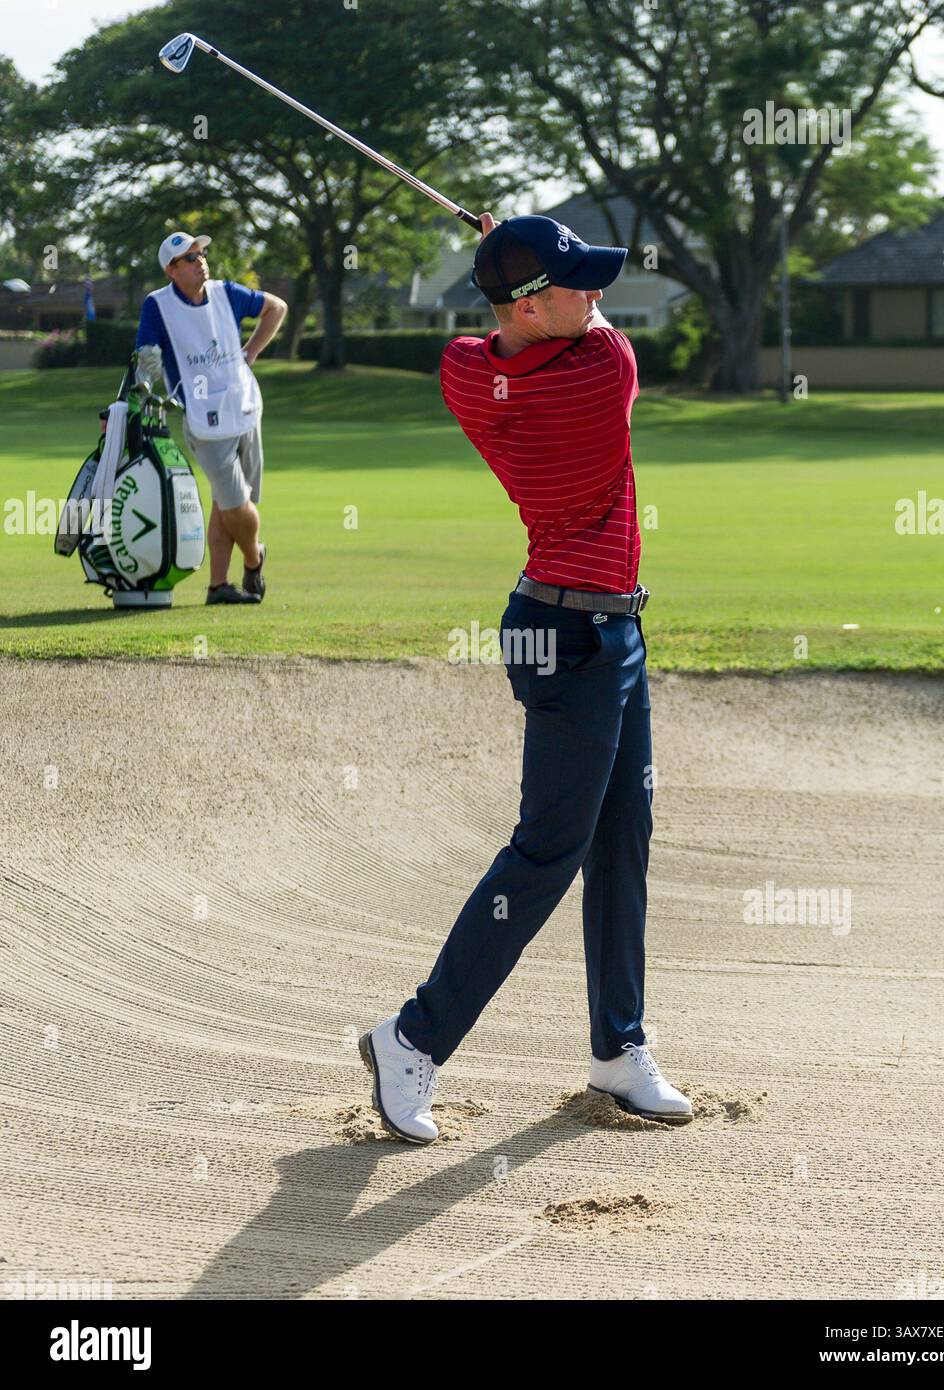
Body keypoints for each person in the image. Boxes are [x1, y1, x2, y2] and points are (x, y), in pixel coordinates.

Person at [360, 212, 693, 1143]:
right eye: (578, 282)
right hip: (577, 638)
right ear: (530, 301)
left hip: (589, 626)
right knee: (548, 853)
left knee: (624, 833)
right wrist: (508, 248)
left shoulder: (468, 373)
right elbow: (602, 339)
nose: (598, 295)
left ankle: (618, 1048)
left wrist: (514, 264)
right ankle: (412, 1040)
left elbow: (480, 342)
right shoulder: (600, 374)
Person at [134, 232, 287, 604]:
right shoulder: (158, 306)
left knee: (227, 501)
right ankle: (254, 559)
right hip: (205, 420)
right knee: (237, 504)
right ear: (171, 270)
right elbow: (147, 354)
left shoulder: (225, 291)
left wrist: (250, 353)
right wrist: (147, 372)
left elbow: (276, 308)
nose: (200, 260)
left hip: (246, 406)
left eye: (201, 253)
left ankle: (218, 586)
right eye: (190, 258)